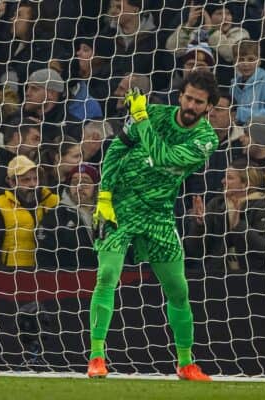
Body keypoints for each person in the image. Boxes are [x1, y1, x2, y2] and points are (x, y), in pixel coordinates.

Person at [87, 70, 220, 381]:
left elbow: (162, 157)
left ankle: (186, 363)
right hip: (121, 206)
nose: (190, 105)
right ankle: (96, 357)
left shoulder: (205, 140)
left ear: (208, 107)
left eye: (198, 102)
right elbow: (117, 149)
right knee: (107, 275)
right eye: (187, 97)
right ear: (180, 95)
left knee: (178, 289)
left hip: (159, 214)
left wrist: (142, 119)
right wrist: (104, 195)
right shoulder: (156, 113)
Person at [185, 159, 265, 271]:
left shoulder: (263, 207)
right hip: (217, 275)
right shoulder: (216, 204)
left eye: (229, 178)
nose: (223, 181)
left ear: (246, 184)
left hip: (252, 277)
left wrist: (239, 226)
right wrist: (199, 225)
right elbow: (195, 251)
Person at [0, 155, 58, 268]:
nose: (33, 184)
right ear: (11, 182)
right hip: (11, 276)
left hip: (48, 274)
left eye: (36, 179)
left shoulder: (54, 202)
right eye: (26, 180)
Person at [36, 164, 99, 270]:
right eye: (74, 182)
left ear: (96, 187)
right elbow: (44, 257)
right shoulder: (55, 216)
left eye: (85, 182)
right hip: (69, 280)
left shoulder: (108, 215)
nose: (79, 187)